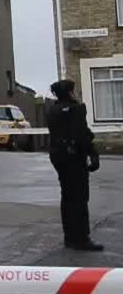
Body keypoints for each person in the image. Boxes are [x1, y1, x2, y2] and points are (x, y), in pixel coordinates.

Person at [45, 79, 103, 251]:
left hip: (58, 156)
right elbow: (81, 135)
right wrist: (93, 154)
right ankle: (81, 239)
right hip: (74, 157)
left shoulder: (52, 110)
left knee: (67, 196)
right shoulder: (76, 109)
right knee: (79, 197)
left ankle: (69, 237)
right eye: (74, 90)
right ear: (70, 92)